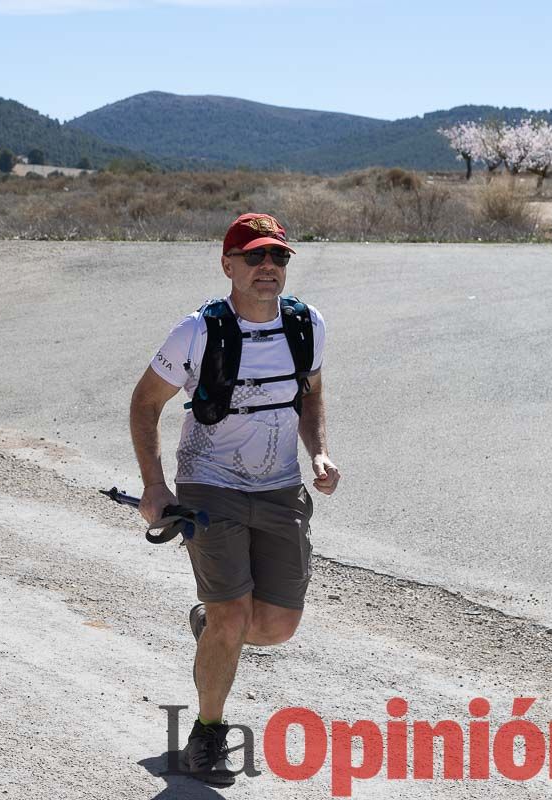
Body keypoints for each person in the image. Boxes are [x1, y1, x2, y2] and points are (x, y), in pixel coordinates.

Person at [130, 212, 340, 786]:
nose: (268, 266)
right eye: (254, 257)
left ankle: (214, 627)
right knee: (233, 615)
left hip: (280, 488)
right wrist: (154, 483)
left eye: (278, 257)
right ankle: (208, 732)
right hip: (209, 488)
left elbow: (312, 395)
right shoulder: (196, 332)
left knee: (276, 627)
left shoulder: (306, 325)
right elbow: (145, 404)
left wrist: (318, 452)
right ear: (228, 265)